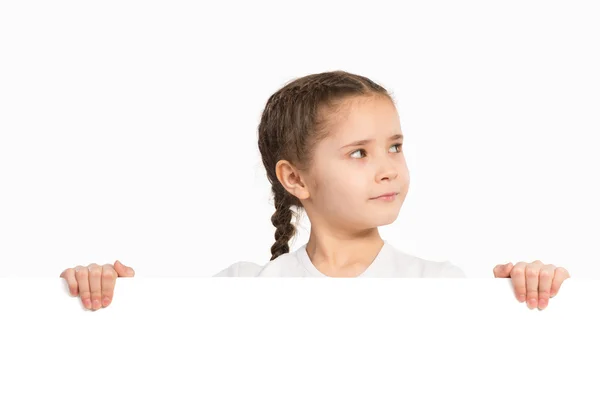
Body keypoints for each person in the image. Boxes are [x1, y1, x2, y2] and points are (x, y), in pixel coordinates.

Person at [59, 70, 570, 311]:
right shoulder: (243, 292)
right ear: (295, 178)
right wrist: (103, 289)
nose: (389, 168)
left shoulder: (437, 284)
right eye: (358, 153)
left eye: (394, 146)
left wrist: (530, 288)